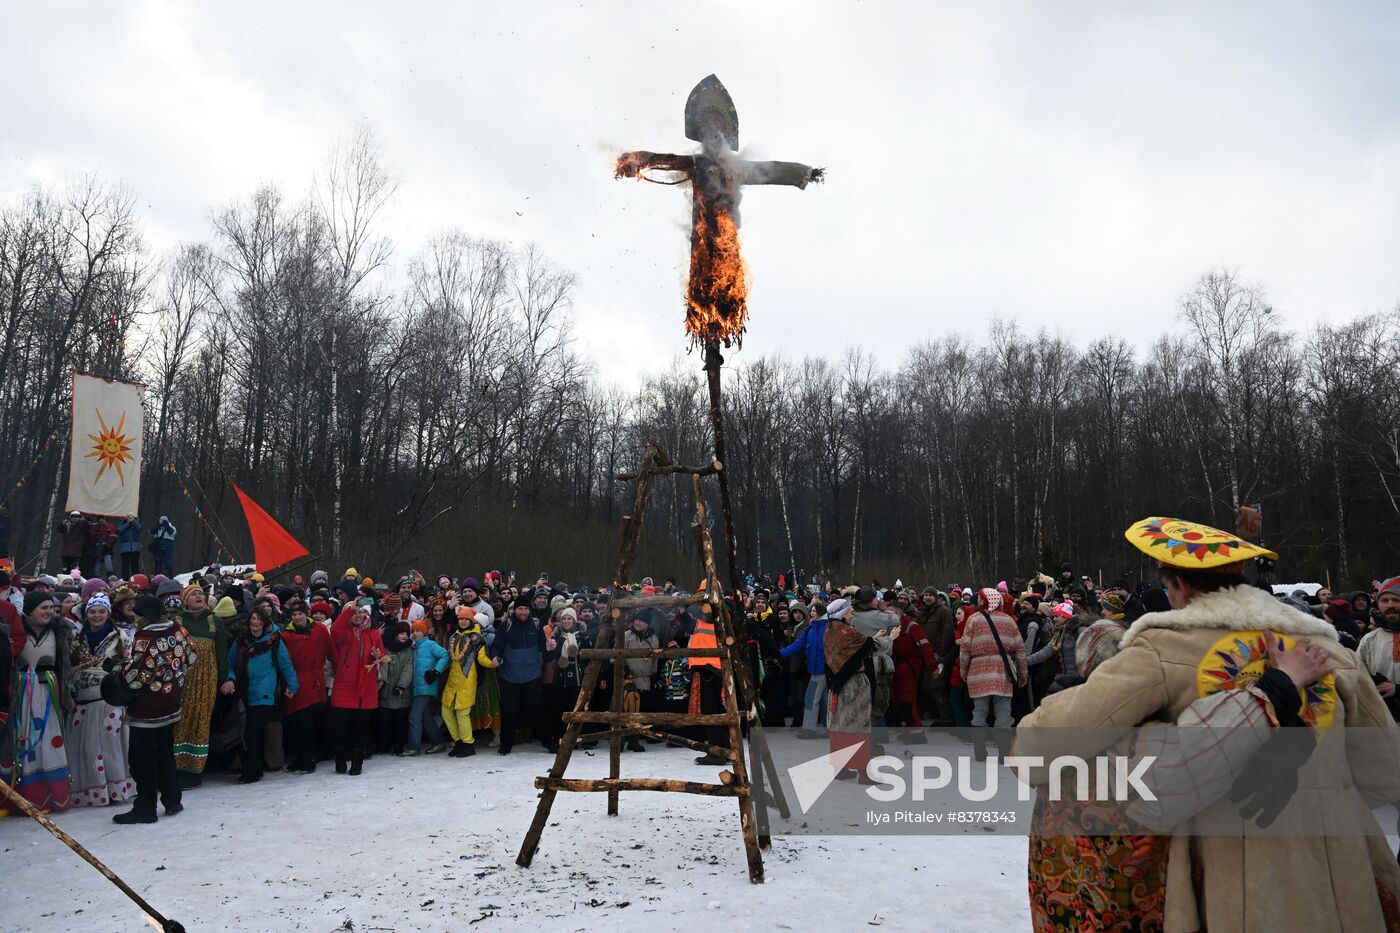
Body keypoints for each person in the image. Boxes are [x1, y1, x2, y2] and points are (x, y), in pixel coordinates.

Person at [1017, 516, 1400, 932]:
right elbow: (1383, 777)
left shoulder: (1162, 648)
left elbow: (1036, 747)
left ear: (1179, 586)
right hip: (1342, 877)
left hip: (1231, 880)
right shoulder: (1329, 649)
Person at [114, 594, 193, 824]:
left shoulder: (146, 637)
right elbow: (191, 656)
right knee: (166, 753)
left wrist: (118, 671)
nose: (134, 619)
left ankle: (145, 807)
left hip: (146, 708)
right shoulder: (179, 630)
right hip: (171, 702)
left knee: (142, 759)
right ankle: (172, 799)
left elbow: (138, 675)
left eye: (136, 614)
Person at [67, 593, 135, 807]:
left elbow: (128, 664)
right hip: (83, 701)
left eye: (101, 612)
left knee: (110, 746)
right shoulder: (77, 639)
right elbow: (69, 665)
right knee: (87, 747)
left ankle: (115, 789)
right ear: (86, 614)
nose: (97, 616)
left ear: (108, 613)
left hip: (109, 699)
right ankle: (92, 791)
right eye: (93, 612)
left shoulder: (120, 636)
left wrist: (109, 670)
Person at [8, 590, 73, 812]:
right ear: (29, 610)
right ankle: (27, 797)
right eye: (43, 608)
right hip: (21, 693)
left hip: (49, 693)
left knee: (49, 740)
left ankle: (53, 795)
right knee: (25, 740)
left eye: (51, 608)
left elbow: (67, 665)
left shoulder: (60, 632)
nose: (49, 612)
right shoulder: (16, 632)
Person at [221, 604, 297, 784]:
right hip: (244, 690)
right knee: (247, 731)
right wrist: (230, 679)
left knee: (251, 731)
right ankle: (252, 768)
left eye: (259, 619)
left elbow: (286, 665)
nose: (255, 622)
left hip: (264, 691)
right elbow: (230, 663)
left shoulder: (274, 641)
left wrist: (292, 686)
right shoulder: (241, 640)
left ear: (265, 622)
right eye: (252, 619)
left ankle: (252, 771)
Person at [490, 596, 559, 755]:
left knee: (537, 710)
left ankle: (547, 742)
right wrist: (495, 656)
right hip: (509, 676)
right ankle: (506, 744)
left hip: (532, 675)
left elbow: (545, 650)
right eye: (520, 608)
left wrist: (550, 648)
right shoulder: (505, 625)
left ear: (530, 610)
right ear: (514, 610)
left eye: (526, 609)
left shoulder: (536, 625)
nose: (523, 612)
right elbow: (496, 646)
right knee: (509, 711)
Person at [174, 584, 221, 787]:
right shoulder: (176, 621)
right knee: (180, 721)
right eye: (193, 594)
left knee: (201, 722)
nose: (198, 596)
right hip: (183, 680)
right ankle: (177, 768)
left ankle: (195, 771)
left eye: (201, 593)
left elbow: (222, 652)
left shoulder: (214, 621)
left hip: (207, 679)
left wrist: (227, 678)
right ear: (185, 600)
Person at [328, 601, 383, 775]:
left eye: (362, 612)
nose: (359, 615)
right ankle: (340, 758)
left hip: (365, 685)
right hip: (345, 684)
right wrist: (350, 610)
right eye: (356, 612)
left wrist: (378, 655)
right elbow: (335, 630)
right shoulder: (344, 631)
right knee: (339, 726)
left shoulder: (373, 633)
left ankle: (357, 762)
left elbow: (382, 654)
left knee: (361, 727)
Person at [281, 597, 333, 773]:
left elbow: (331, 651)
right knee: (297, 723)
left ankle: (310, 758)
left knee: (308, 722)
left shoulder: (319, 630)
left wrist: (337, 673)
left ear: (306, 614)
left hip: (314, 679)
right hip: (295, 680)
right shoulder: (286, 635)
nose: (297, 617)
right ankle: (301, 756)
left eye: (300, 614)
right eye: (294, 614)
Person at [441, 606, 498, 757]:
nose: (463, 621)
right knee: (445, 711)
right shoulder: (454, 636)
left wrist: (491, 663)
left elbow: (481, 657)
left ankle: (468, 744)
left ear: (471, 620)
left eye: (466, 619)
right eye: (461, 619)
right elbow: (449, 657)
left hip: (467, 680)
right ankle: (458, 741)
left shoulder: (477, 638)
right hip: (452, 680)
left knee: (462, 713)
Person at [782, 599, 830, 735]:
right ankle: (830, 727)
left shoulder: (827, 628)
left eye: (813, 611)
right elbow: (797, 645)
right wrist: (780, 654)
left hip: (821, 670)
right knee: (823, 700)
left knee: (811, 698)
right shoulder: (811, 629)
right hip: (817, 669)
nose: (811, 613)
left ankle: (809, 729)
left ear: (820, 612)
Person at [1356, 575, 1400, 722]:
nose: (1390, 605)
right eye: (1384, 600)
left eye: (1396, 600)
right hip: (1384, 720)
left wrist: (1397, 690)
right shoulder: (1369, 640)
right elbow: (1357, 676)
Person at [405, 619, 449, 755]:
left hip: (426, 685)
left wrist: (436, 672)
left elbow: (445, 655)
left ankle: (413, 747)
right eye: (413, 631)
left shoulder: (430, 644)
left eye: (418, 631)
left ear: (424, 632)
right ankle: (438, 742)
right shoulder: (414, 647)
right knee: (425, 717)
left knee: (414, 717)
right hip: (417, 687)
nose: (415, 634)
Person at [622, 613, 659, 752]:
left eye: (641, 620)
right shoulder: (627, 635)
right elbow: (616, 654)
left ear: (647, 623)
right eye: (636, 620)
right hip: (628, 678)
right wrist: (622, 670)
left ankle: (634, 740)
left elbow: (655, 658)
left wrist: (654, 674)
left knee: (639, 711)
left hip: (645, 679)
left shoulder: (653, 638)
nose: (638, 623)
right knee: (625, 709)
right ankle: (620, 739)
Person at [376, 620, 414, 755]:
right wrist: (381, 682)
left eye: (406, 634)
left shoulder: (409, 650)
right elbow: (383, 666)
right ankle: (385, 744)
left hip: (401, 692)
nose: (404, 636)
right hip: (386, 691)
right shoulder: (386, 648)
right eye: (401, 633)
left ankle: (398, 746)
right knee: (385, 721)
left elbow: (408, 669)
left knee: (400, 721)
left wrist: (401, 686)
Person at [57, 511, 88, 576]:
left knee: (74, 569)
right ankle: (65, 579)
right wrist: (62, 524)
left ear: (80, 518)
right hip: (66, 551)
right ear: (71, 517)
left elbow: (88, 528)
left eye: (77, 517)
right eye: (73, 517)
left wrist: (84, 521)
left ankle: (74, 581)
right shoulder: (67, 524)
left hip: (76, 551)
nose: (75, 518)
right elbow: (59, 530)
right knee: (65, 568)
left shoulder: (82, 525)